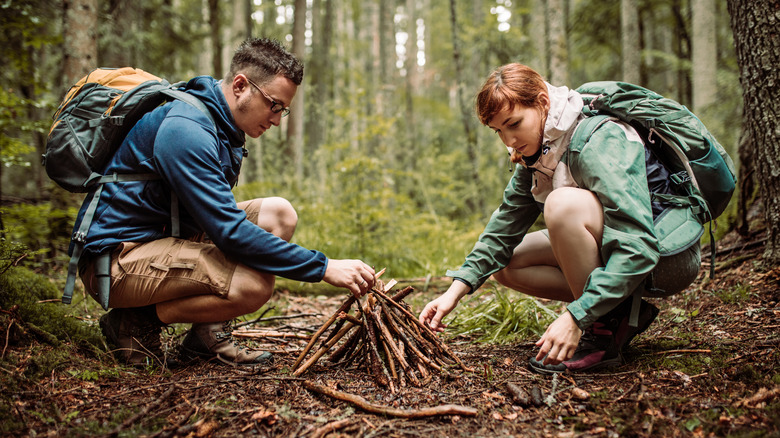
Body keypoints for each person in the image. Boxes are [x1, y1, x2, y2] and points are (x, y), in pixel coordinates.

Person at [75, 38, 376, 367]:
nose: (277, 120)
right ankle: (133, 322)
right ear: (240, 86)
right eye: (274, 105)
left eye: (283, 109)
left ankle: (207, 335)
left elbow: (221, 222)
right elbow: (229, 233)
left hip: (163, 238)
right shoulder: (187, 129)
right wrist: (324, 267)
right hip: (118, 259)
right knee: (252, 286)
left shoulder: (218, 123)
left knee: (279, 214)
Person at [419, 63, 701, 374]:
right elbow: (504, 228)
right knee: (508, 263)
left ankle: (602, 331)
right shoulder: (539, 152)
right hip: (620, 249)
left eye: (514, 124)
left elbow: (639, 245)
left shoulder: (598, 139)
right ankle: (617, 312)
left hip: (664, 257)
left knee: (562, 205)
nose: (508, 141)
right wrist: (455, 289)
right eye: (498, 130)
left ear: (542, 102)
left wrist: (576, 316)